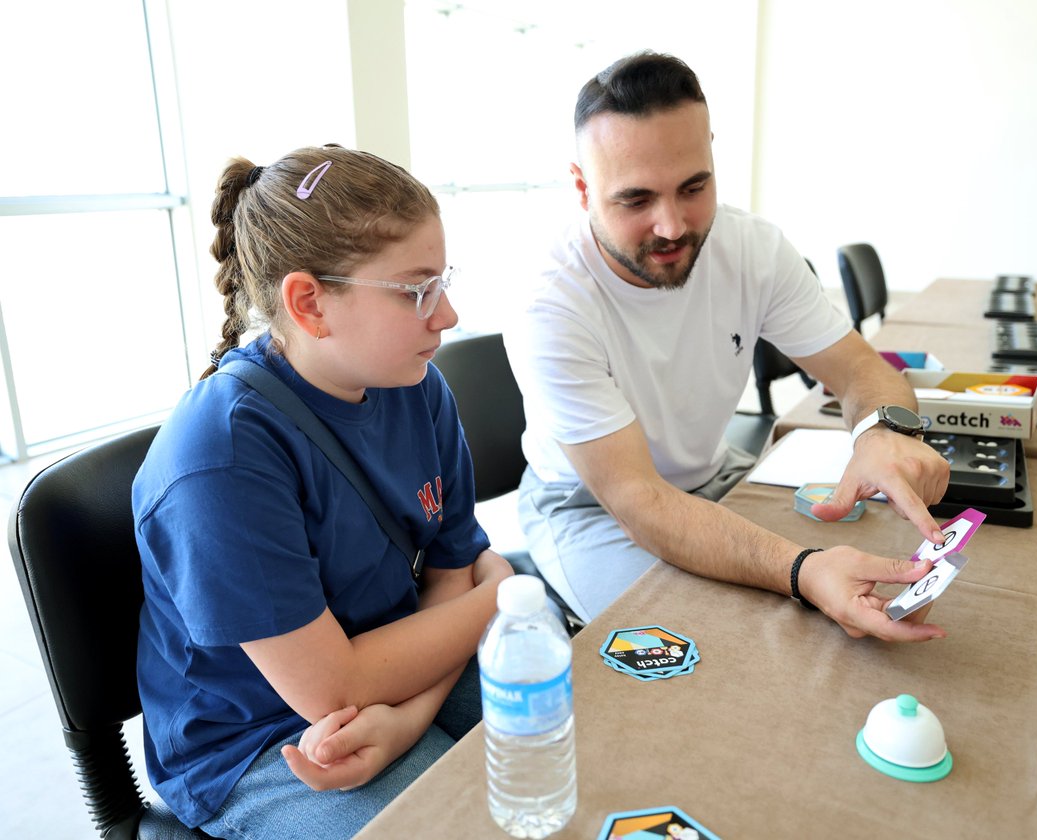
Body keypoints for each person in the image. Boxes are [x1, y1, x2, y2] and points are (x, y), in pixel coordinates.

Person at [134, 144, 512, 839]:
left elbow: (451, 571)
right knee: (460, 821)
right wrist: (505, 592)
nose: (449, 314)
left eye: (444, 280)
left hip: (396, 658)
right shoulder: (220, 456)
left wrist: (405, 720)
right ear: (309, 302)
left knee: (583, 721)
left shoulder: (417, 386)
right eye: (416, 289)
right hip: (265, 740)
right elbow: (330, 690)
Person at [503, 52, 951, 639]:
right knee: (731, 640)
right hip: (592, 507)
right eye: (636, 200)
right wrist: (801, 570)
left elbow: (860, 369)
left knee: (873, 568)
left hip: (712, 474)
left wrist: (882, 432)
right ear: (583, 187)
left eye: (694, 186)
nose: (672, 226)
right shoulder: (551, 304)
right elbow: (639, 501)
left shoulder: (752, 249)